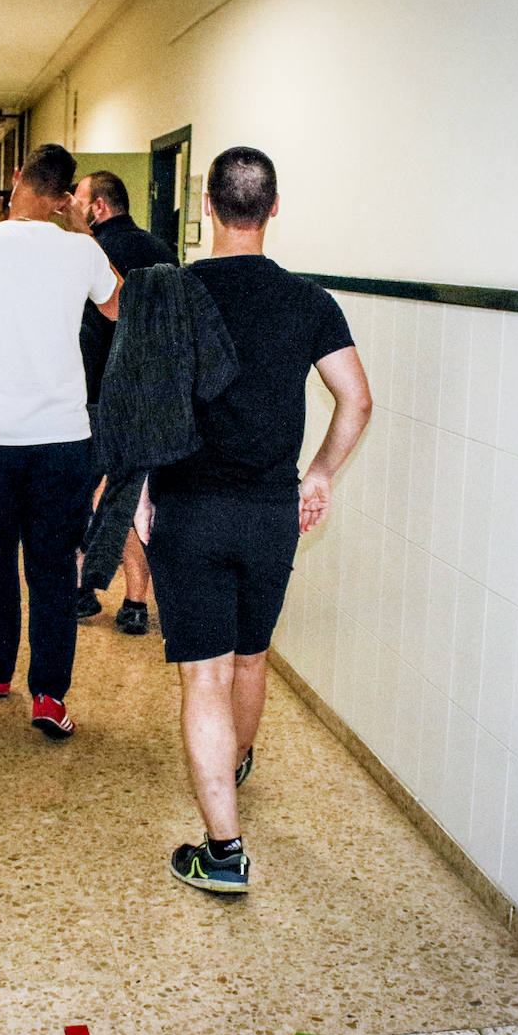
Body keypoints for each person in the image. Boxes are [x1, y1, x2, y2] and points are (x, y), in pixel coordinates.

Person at [142, 146, 371, 892]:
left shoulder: (169, 293)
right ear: (273, 208)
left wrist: (138, 491)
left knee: (202, 677)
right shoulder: (308, 300)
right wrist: (321, 472)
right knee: (250, 655)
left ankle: (224, 849)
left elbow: (145, 406)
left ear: (206, 206)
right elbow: (357, 399)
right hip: (271, 512)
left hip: (191, 509)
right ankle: (232, 765)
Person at [0, 144, 119, 739]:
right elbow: (119, 309)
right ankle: (50, 698)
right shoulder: (84, 249)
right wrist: (81, 228)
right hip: (64, 438)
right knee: (54, 569)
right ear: (65, 197)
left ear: (15, 179)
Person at [70, 170, 178, 635]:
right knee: (132, 492)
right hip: (151, 395)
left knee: (83, 492)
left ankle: (82, 591)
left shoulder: (86, 253)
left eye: (76, 200)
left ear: (97, 207)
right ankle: (135, 603)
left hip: (97, 393)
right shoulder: (164, 254)